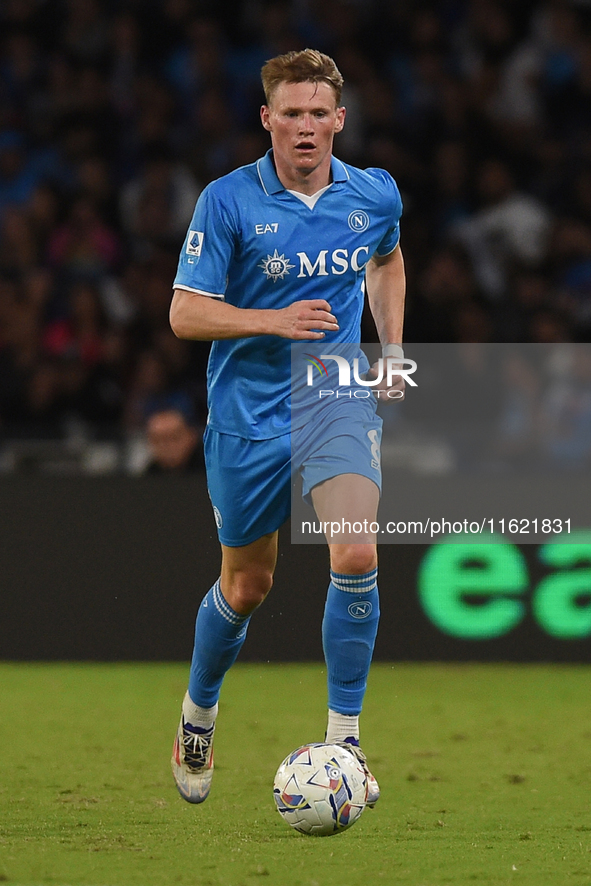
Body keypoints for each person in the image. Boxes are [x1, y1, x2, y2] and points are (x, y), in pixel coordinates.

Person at [169, 49, 406, 807]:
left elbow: (387, 260)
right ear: (267, 119)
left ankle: (345, 743)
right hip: (246, 414)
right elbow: (183, 313)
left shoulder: (373, 194)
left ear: (339, 120)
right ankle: (198, 713)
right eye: (291, 113)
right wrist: (270, 320)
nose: (305, 127)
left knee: (357, 547)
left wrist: (392, 348)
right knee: (246, 586)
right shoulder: (228, 200)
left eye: (318, 113)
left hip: (333, 397)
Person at [144, 408, 205, 474]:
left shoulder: (212, 467)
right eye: (158, 440)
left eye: (174, 438)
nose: (167, 446)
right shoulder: (150, 475)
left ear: (191, 436)